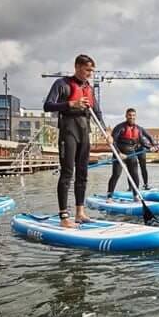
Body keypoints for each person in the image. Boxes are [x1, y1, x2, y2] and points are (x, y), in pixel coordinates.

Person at [44, 54, 112, 228]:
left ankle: (80, 213)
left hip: (84, 133)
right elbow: (48, 105)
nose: (90, 73)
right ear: (77, 67)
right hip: (68, 132)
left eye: (92, 70)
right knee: (67, 173)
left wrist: (106, 131)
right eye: (88, 69)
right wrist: (70, 104)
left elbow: (98, 112)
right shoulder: (62, 84)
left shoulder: (89, 88)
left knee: (83, 173)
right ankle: (64, 217)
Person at [107, 108, 156, 201]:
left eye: (133, 115)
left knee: (135, 175)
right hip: (119, 155)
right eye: (129, 115)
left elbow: (142, 141)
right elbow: (112, 142)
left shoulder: (138, 129)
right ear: (126, 116)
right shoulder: (119, 127)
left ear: (135, 116)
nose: (131, 117)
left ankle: (135, 195)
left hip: (131, 154)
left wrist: (150, 147)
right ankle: (109, 196)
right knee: (116, 175)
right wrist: (118, 153)